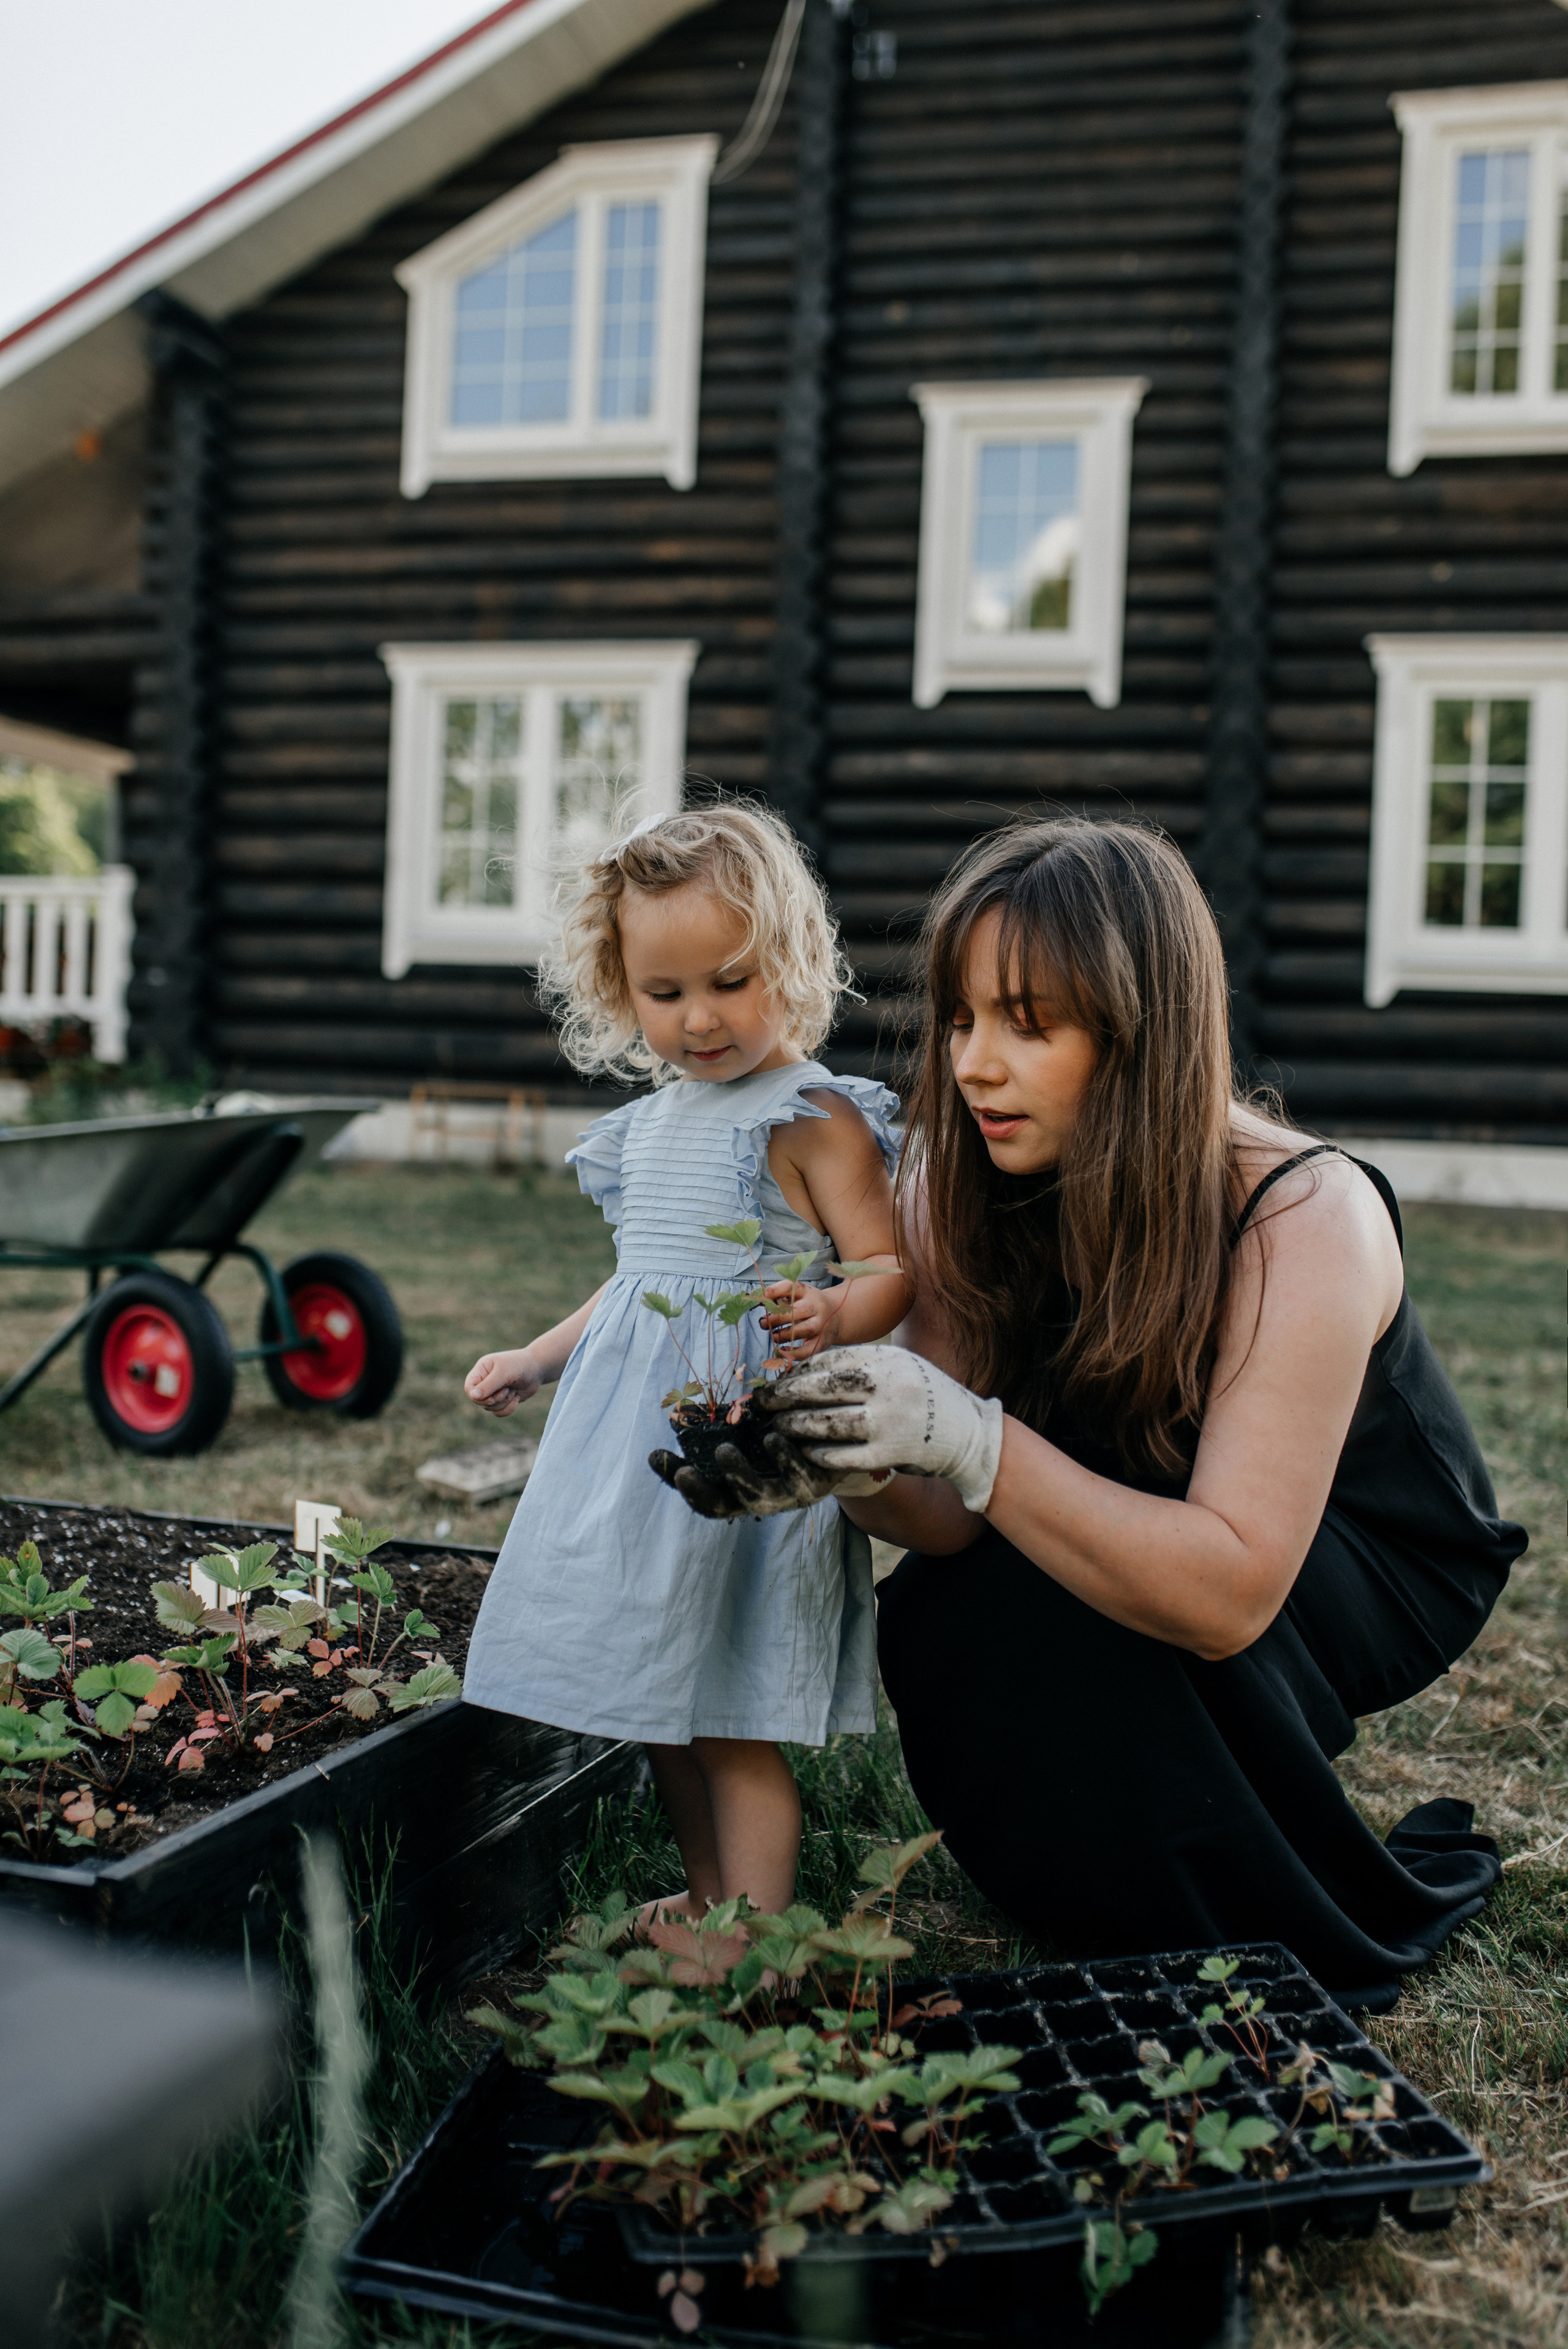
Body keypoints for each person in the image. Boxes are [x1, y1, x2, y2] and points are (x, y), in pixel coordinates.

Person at [665, 819, 1525, 2010]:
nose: (972, 1066)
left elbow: (1224, 1596)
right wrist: (849, 1450)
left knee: (1124, 1621)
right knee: (957, 1609)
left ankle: (1230, 1818)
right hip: (1135, 1475)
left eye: (1029, 1023)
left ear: (1137, 1035)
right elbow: (949, 1524)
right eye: (962, 1019)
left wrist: (965, 1433)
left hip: (1351, 1549)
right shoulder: (955, 1178)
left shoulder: (1301, 1214)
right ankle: (1091, 1876)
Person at [461, 801, 912, 1923]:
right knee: (655, 1699)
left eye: (729, 981)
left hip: (738, 1454)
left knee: (731, 1714)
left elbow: (889, 1270)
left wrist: (833, 1309)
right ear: (623, 991)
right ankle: (711, 1904)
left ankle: (755, 1946)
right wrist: (541, 1356)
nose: (700, 1019)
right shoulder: (651, 1125)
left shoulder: (813, 1116)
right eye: (665, 995)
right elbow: (633, 1284)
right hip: (637, 1456)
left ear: (792, 960)